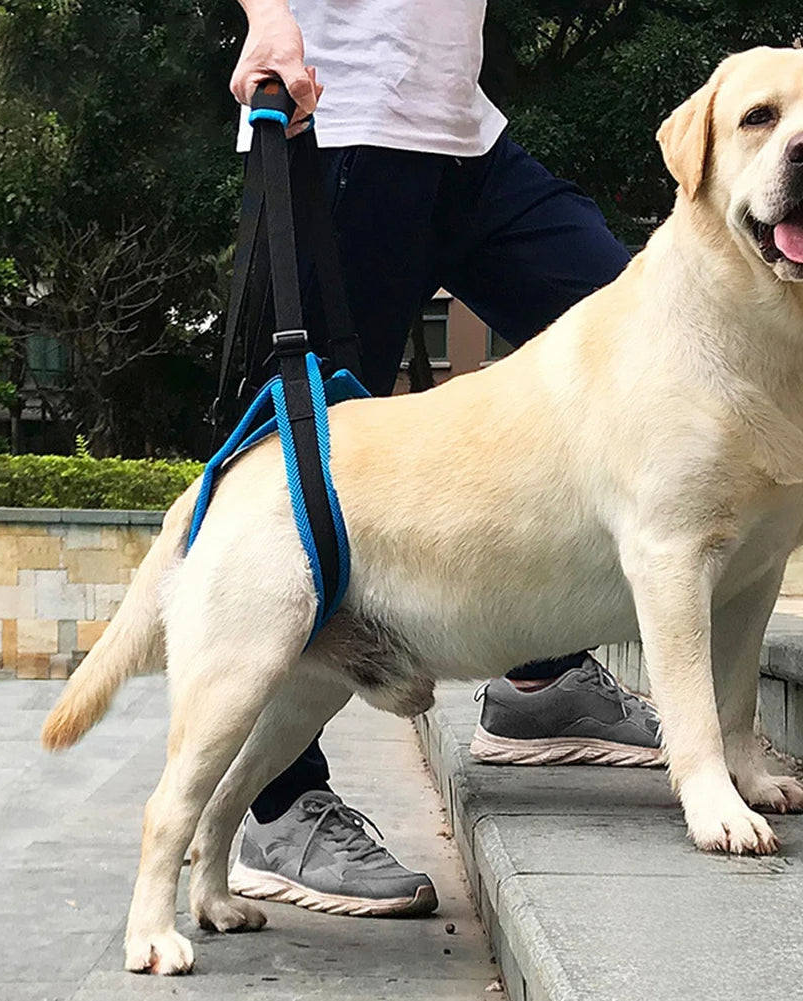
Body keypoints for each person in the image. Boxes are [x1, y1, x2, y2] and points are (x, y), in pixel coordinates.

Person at [225, 0, 663, 919]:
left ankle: (541, 675)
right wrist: (268, 19)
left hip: (466, 136)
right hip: (336, 125)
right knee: (302, 474)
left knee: (634, 333)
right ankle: (272, 801)